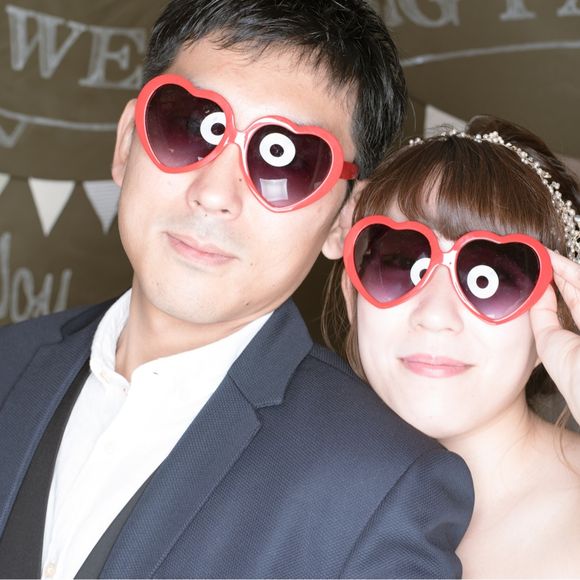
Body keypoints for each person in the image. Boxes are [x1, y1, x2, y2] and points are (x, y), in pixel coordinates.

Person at [0, 1, 474, 578]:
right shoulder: (8, 364)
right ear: (127, 143)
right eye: (191, 126)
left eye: (286, 161)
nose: (214, 194)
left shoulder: (380, 489)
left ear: (344, 220)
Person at [323, 114, 580, 578]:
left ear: (558, 311)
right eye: (403, 263)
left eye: (488, 279)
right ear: (351, 295)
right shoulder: (301, 494)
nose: (436, 315)